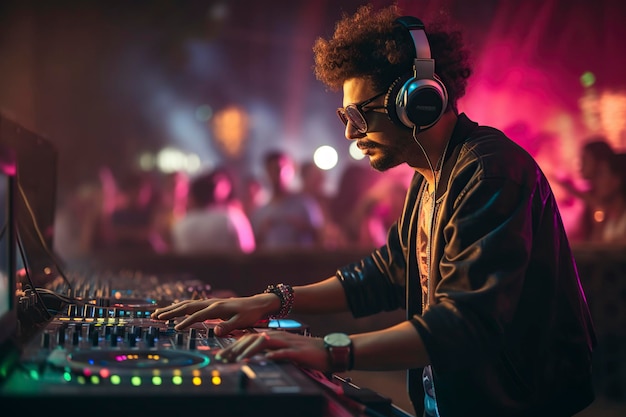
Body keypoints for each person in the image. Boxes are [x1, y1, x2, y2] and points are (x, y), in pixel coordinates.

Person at [152, 5, 596, 417]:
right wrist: (273, 299)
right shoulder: (429, 178)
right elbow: (389, 272)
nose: (349, 133)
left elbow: (467, 322)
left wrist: (332, 351)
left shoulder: (490, 172)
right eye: (345, 117)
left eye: (360, 115)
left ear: (419, 101)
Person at [250, 150, 325, 249]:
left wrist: (304, 227)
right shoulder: (260, 212)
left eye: (281, 169)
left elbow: (322, 236)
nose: (278, 174)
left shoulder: (305, 204)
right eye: (272, 170)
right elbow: (253, 246)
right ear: (266, 173)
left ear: (291, 171)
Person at [170, 167, 255, 254]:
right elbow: (247, 251)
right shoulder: (233, 218)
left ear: (193, 197)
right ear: (216, 194)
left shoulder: (181, 225)